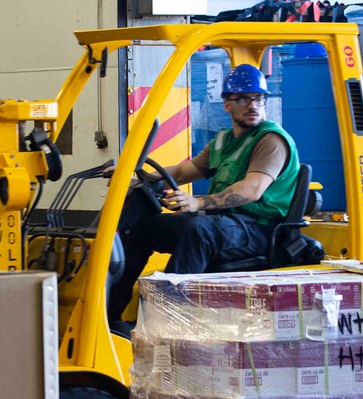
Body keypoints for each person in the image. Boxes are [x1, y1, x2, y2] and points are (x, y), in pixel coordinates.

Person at [107, 64, 300, 322]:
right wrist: (130, 173)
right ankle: (109, 316)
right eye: (243, 98)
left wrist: (198, 202)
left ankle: (167, 321)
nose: (252, 105)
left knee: (198, 230)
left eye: (258, 98)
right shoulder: (224, 141)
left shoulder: (271, 140)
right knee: (145, 228)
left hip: (260, 229)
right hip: (227, 224)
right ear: (227, 105)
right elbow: (181, 171)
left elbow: (252, 190)